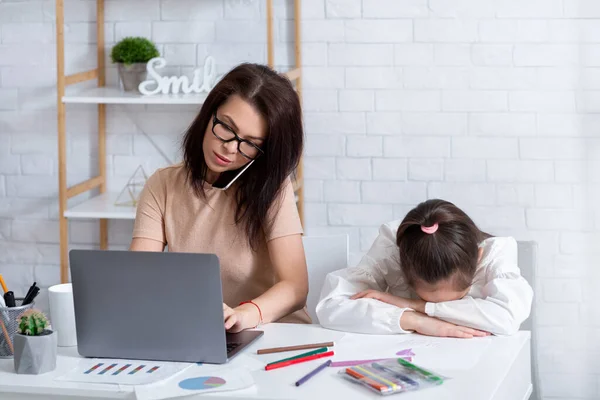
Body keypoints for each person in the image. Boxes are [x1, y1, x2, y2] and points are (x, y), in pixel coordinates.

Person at [130, 63, 310, 332]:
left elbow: (296, 287)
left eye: (250, 143)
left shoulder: (273, 189)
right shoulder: (163, 184)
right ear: (208, 115)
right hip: (196, 331)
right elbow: (138, 277)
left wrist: (243, 315)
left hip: (267, 333)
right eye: (226, 127)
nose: (230, 147)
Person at [316, 199, 533, 337]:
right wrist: (415, 321)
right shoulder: (394, 249)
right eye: (429, 299)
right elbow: (331, 306)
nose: (437, 307)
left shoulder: (495, 252)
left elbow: (507, 318)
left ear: (477, 257)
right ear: (403, 268)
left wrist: (417, 305)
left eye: (455, 299)